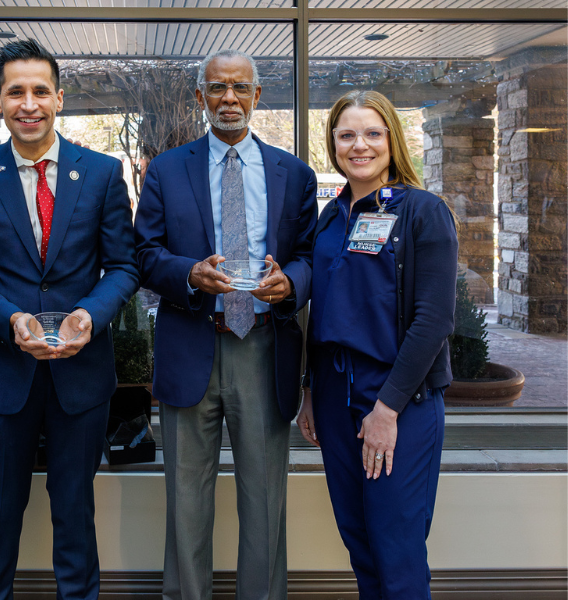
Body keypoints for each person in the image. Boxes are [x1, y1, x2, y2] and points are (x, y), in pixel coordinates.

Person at [0, 39, 139, 600]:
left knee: (75, 519)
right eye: (15, 92)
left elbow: (124, 267)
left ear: (59, 98)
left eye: (39, 91)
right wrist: (11, 320)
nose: (27, 103)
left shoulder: (102, 173)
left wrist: (89, 313)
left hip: (82, 380)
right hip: (5, 378)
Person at [134, 49, 317, 600]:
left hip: (263, 347)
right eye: (217, 88)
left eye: (240, 88)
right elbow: (143, 254)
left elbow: (311, 256)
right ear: (200, 98)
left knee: (264, 502)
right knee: (186, 501)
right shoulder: (167, 169)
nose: (229, 99)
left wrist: (292, 283)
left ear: (258, 96)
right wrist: (189, 273)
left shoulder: (296, 173)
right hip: (191, 343)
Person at [295, 90, 458, 599]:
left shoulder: (423, 212)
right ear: (333, 144)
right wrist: (309, 390)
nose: (358, 145)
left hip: (397, 397)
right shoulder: (329, 218)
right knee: (360, 543)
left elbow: (433, 321)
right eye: (346, 135)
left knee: (397, 548)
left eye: (372, 133)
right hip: (333, 395)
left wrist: (387, 409)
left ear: (392, 139)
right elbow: (323, 312)